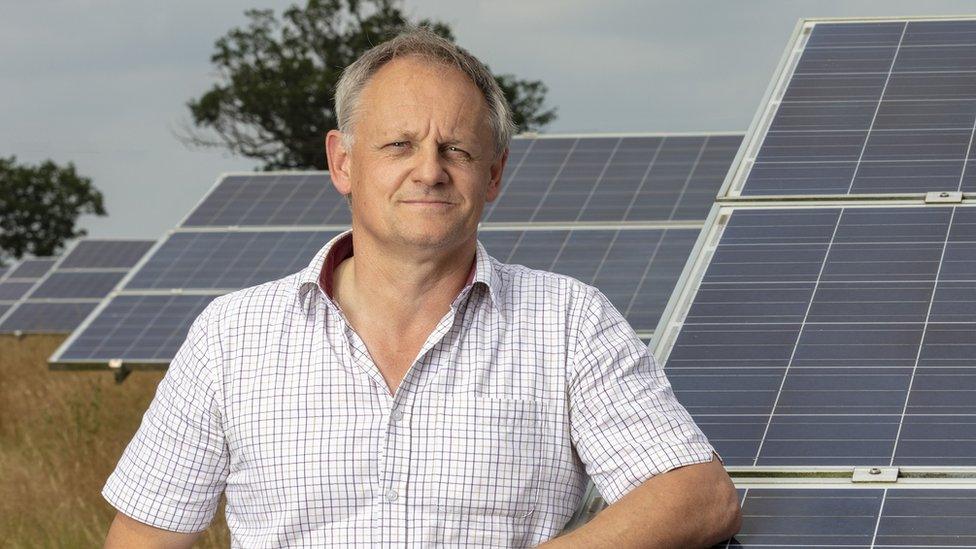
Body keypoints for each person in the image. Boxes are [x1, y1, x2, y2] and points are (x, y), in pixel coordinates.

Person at [103, 28, 740, 548]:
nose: (428, 171)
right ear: (343, 163)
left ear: (493, 174)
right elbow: (143, 538)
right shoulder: (231, 335)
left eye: (456, 150)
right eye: (399, 145)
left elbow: (697, 496)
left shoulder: (568, 321)